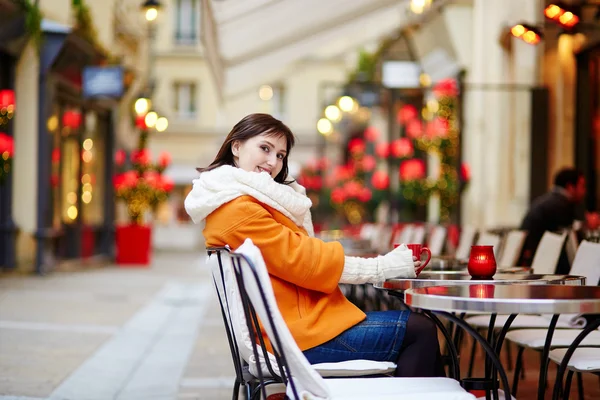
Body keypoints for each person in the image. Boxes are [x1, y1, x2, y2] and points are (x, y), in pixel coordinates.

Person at [185, 113, 444, 377]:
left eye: (281, 155)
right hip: (295, 338)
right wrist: (382, 267)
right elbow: (304, 261)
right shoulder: (238, 209)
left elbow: (299, 256)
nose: (273, 161)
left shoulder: (239, 202)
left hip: (296, 328)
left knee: (414, 326)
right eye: (265, 148)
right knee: (419, 330)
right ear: (236, 147)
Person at [519, 168, 587, 272]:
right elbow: (570, 241)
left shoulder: (549, 201)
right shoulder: (561, 205)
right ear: (570, 187)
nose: (584, 191)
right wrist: (586, 225)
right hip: (536, 266)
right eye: (582, 186)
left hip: (529, 261)